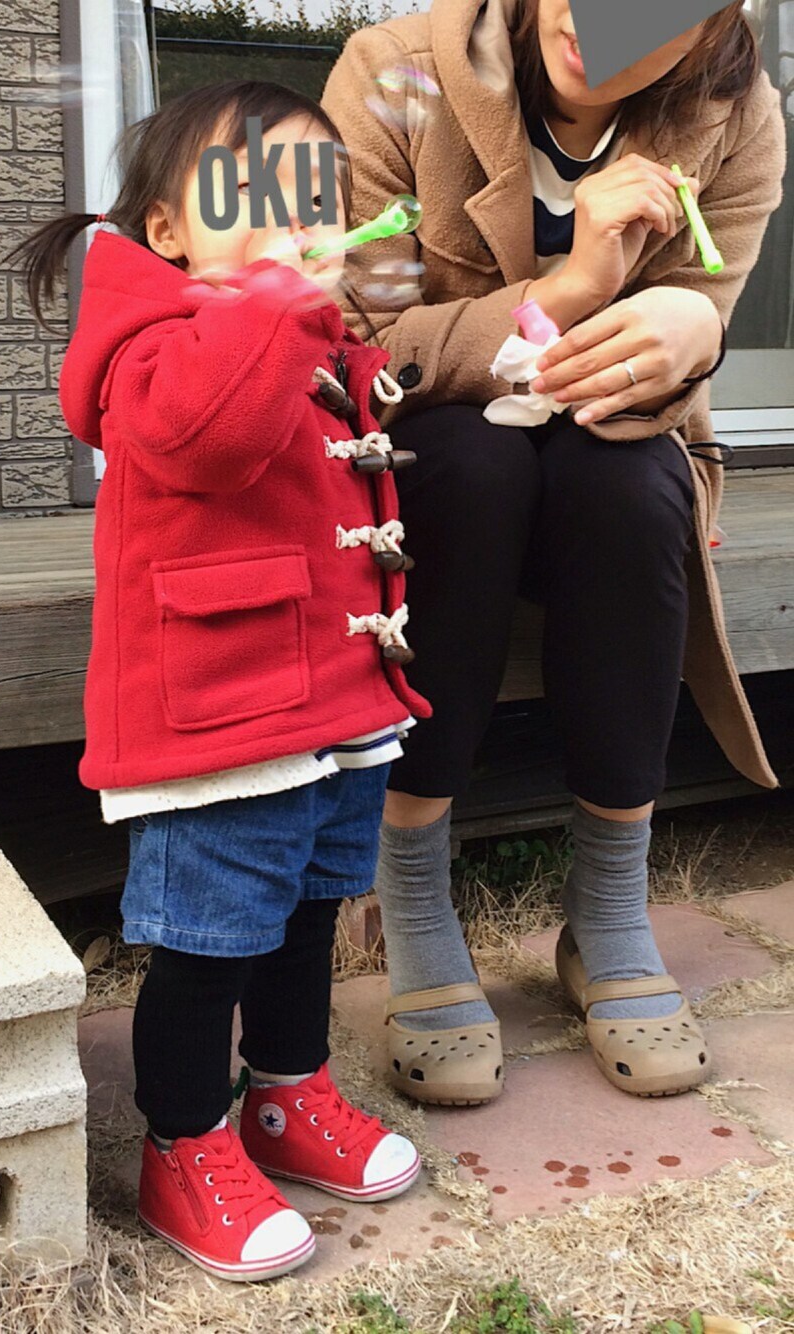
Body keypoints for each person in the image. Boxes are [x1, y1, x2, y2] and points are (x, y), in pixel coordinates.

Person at [323, 0, 785, 1105]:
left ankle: (608, 909)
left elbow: (693, 321)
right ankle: (414, 894)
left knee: (631, 484)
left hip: (603, 457)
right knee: (469, 464)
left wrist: (698, 333)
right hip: (437, 464)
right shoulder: (393, 73)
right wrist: (564, 292)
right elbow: (353, 342)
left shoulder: (733, 113)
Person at [14, 81, 429, 1283]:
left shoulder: (308, 335)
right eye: (252, 188)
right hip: (222, 711)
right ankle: (183, 1140)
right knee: (207, 940)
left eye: (317, 192)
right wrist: (278, 305)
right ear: (167, 231)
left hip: (329, 695)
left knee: (307, 911)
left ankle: (287, 1091)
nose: (297, 214)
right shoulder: (152, 346)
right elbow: (209, 437)